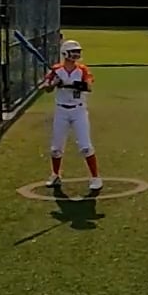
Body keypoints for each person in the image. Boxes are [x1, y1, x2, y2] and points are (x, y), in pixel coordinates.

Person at [42, 39, 102, 194]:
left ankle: (95, 178)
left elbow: (88, 86)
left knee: (85, 146)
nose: (76, 54)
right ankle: (55, 175)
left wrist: (69, 84)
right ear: (65, 53)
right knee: (56, 148)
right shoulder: (56, 70)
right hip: (61, 111)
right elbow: (46, 87)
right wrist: (54, 83)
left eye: (78, 51)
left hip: (78, 111)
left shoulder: (82, 70)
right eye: (73, 51)